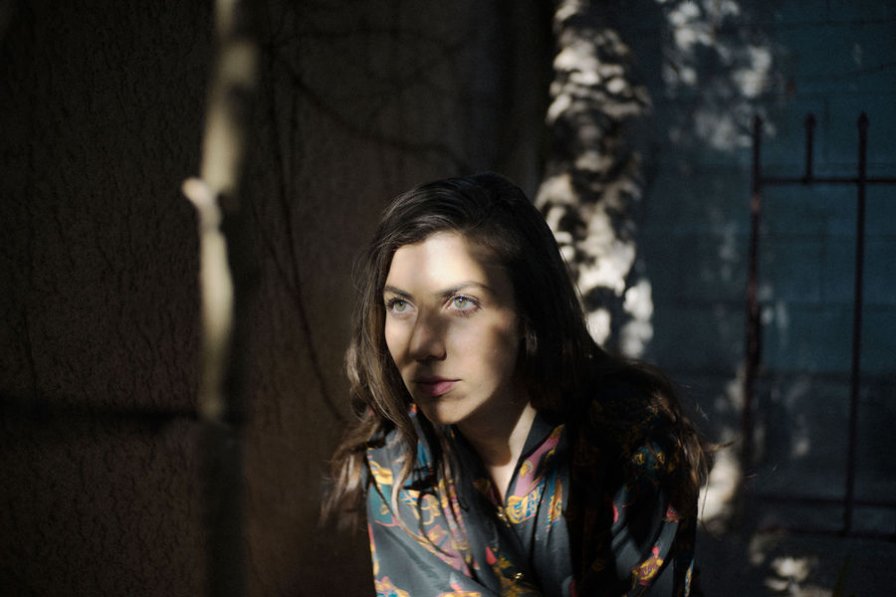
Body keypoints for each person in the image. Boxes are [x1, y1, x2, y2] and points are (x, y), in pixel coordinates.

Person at [323, 173, 706, 596]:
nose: (422, 345)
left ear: (529, 312)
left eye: (462, 302)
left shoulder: (629, 446)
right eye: (400, 304)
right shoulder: (399, 460)